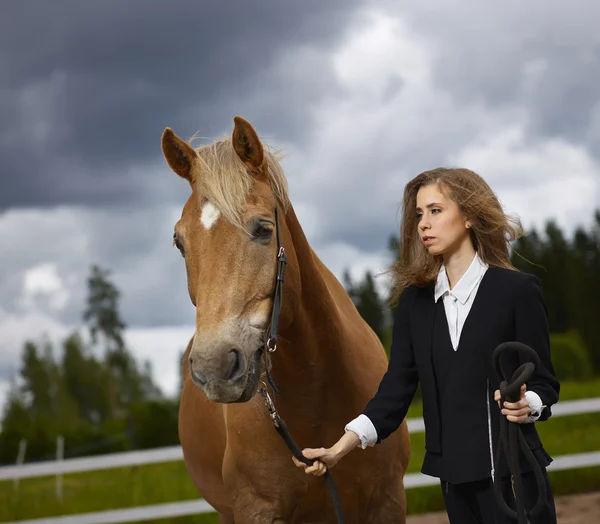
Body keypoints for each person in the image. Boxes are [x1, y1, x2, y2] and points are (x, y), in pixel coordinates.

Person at [292, 167, 560, 523]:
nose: (423, 224)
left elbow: (544, 382)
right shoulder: (415, 305)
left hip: (516, 477)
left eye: (435, 211)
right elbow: (395, 391)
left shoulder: (517, 291)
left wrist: (530, 404)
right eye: (419, 214)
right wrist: (340, 448)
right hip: (454, 482)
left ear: (469, 217)